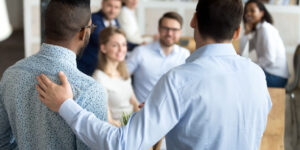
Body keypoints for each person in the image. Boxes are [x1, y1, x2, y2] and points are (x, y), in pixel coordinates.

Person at [36, 0, 272, 149]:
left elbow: (122, 144)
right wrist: (173, 113)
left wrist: (66, 105)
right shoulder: (256, 75)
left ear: (193, 20)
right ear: (237, 31)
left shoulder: (180, 80)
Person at [0, 0, 107, 149]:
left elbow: (3, 143)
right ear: (84, 33)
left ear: (47, 26)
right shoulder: (91, 91)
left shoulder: (10, 75)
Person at [126, 12, 190, 103]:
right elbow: (121, 78)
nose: (169, 33)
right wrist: (133, 103)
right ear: (159, 29)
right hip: (142, 111)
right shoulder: (140, 52)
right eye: (166, 28)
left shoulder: (185, 54)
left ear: (180, 32)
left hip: (173, 112)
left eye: (174, 30)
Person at [93, 27, 139, 126]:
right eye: (115, 45)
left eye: (124, 45)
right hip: (117, 132)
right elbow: (108, 120)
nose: (121, 49)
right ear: (103, 48)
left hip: (132, 125)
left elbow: (134, 102)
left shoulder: (123, 72)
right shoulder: (99, 78)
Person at [239, 0, 289, 88]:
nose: (248, 14)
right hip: (270, 73)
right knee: (242, 75)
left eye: (252, 10)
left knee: (242, 78)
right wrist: (246, 32)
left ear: (262, 13)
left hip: (276, 77)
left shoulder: (266, 29)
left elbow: (270, 59)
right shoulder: (258, 31)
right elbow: (243, 51)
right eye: (246, 11)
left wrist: (251, 65)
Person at [77, 0, 122, 76]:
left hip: (103, 68)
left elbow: (119, 39)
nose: (112, 10)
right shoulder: (92, 20)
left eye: (116, 7)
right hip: (87, 68)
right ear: (103, 4)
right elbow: (101, 39)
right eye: (109, 6)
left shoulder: (115, 22)